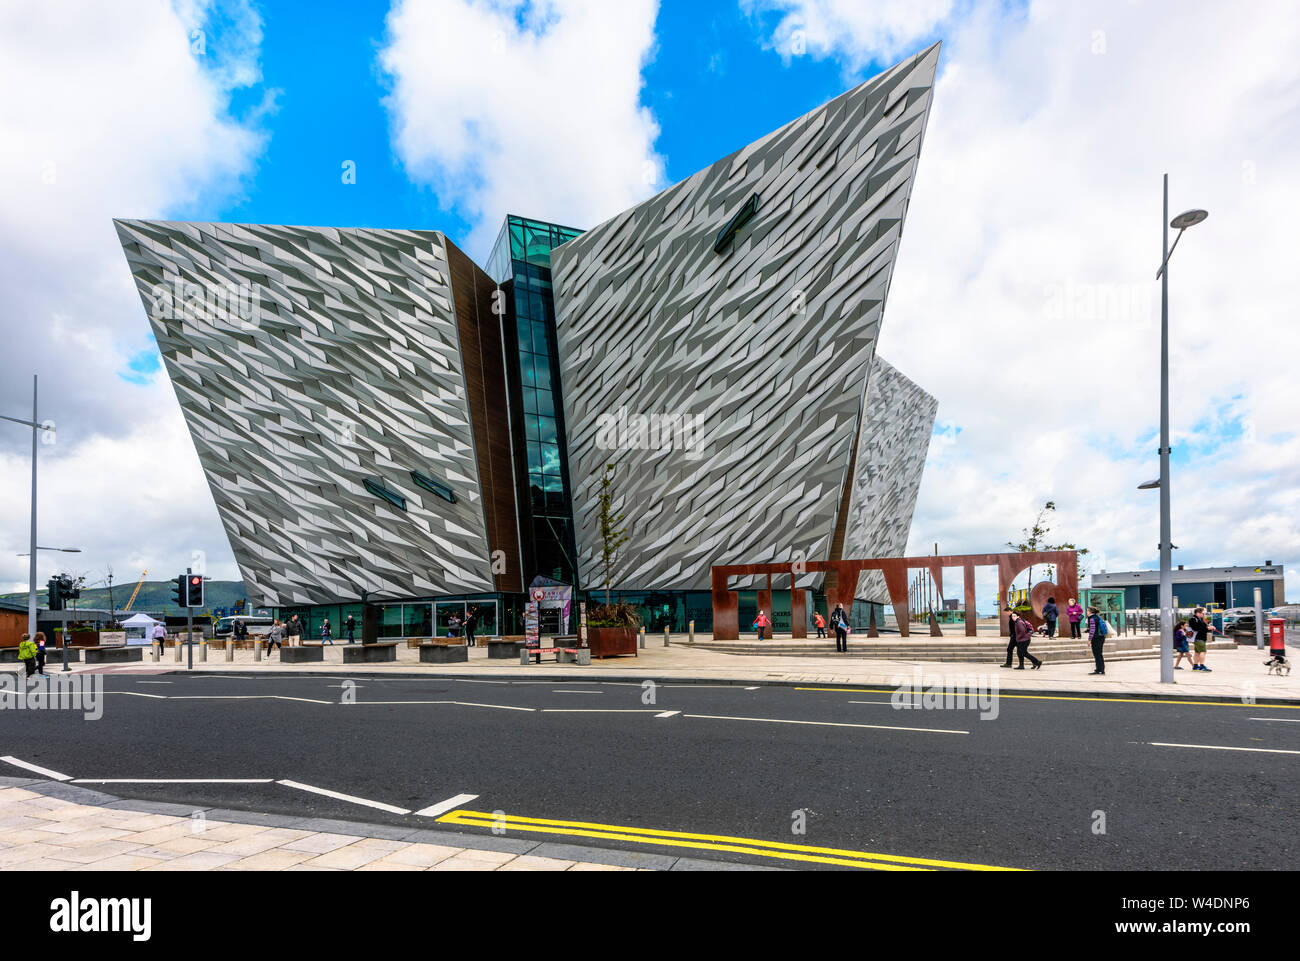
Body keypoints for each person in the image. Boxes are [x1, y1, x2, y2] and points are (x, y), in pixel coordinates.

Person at [1187, 607, 1218, 672]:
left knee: (1197, 652)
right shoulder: (1193, 619)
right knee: (1203, 651)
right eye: (1203, 613)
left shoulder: (1200, 619)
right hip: (1198, 638)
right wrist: (1208, 628)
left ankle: (1195, 666)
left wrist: (1209, 627)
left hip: (1200, 638)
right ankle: (1202, 666)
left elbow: (1203, 627)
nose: (1204, 615)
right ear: (1198, 613)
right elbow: (1196, 628)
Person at [1086, 606, 1107, 675]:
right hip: (1101, 637)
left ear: (1090, 612)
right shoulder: (1097, 617)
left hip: (1096, 638)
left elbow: (1092, 630)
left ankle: (1099, 669)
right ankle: (1101, 669)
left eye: (1087, 611)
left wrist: (1089, 640)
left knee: (1097, 654)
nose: (1087, 612)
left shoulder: (1092, 619)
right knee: (1099, 654)